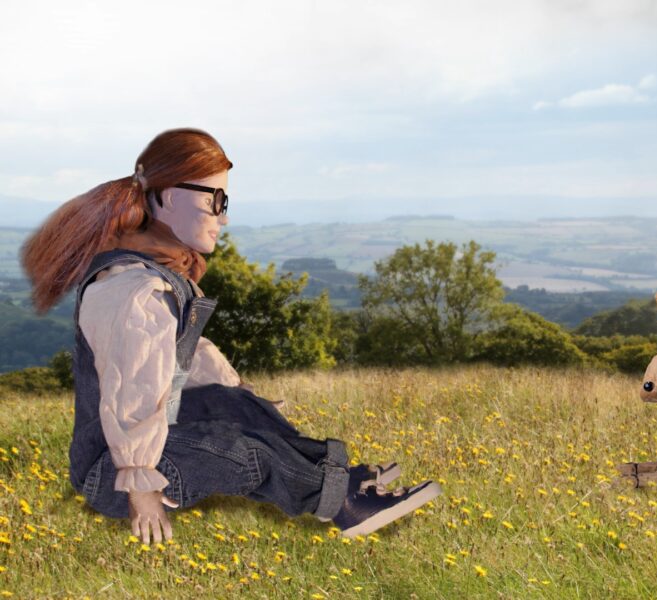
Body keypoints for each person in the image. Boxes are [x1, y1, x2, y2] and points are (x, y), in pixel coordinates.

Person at [22, 128, 441, 544]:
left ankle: (332, 473)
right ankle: (343, 503)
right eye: (215, 200)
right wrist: (140, 487)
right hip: (113, 473)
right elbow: (132, 393)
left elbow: (187, 356)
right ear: (170, 197)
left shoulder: (157, 277)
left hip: (144, 449)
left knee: (234, 406)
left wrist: (242, 401)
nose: (223, 216)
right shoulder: (132, 291)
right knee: (237, 450)